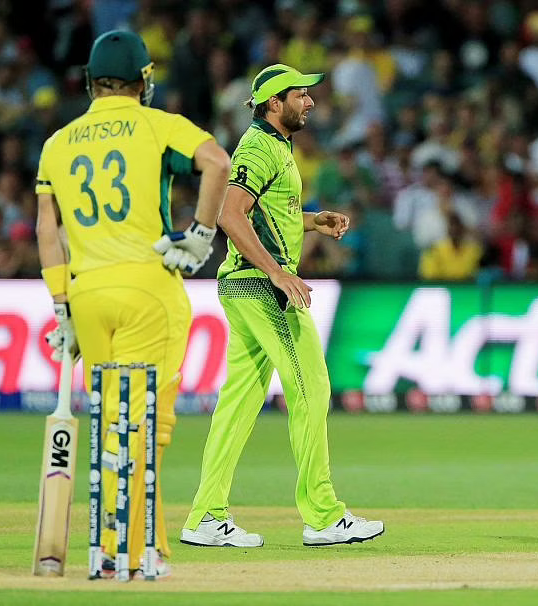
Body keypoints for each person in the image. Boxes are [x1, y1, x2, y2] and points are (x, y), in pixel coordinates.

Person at [36, 30, 230, 577]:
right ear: (144, 79)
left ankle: (143, 547)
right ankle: (131, 550)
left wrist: (60, 305)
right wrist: (200, 234)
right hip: (150, 287)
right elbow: (217, 162)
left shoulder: (59, 142)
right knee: (146, 429)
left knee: (111, 427)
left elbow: (46, 229)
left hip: (88, 294)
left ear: (90, 81)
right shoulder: (157, 124)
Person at [181, 64, 384, 547]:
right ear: (274, 103)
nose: (310, 102)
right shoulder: (255, 147)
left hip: (245, 286)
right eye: (300, 95)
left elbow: (271, 212)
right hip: (262, 288)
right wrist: (278, 272)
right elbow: (229, 214)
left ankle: (206, 516)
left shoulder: (276, 148)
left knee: (238, 404)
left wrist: (312, 222)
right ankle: (323, 515)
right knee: (311, 387)